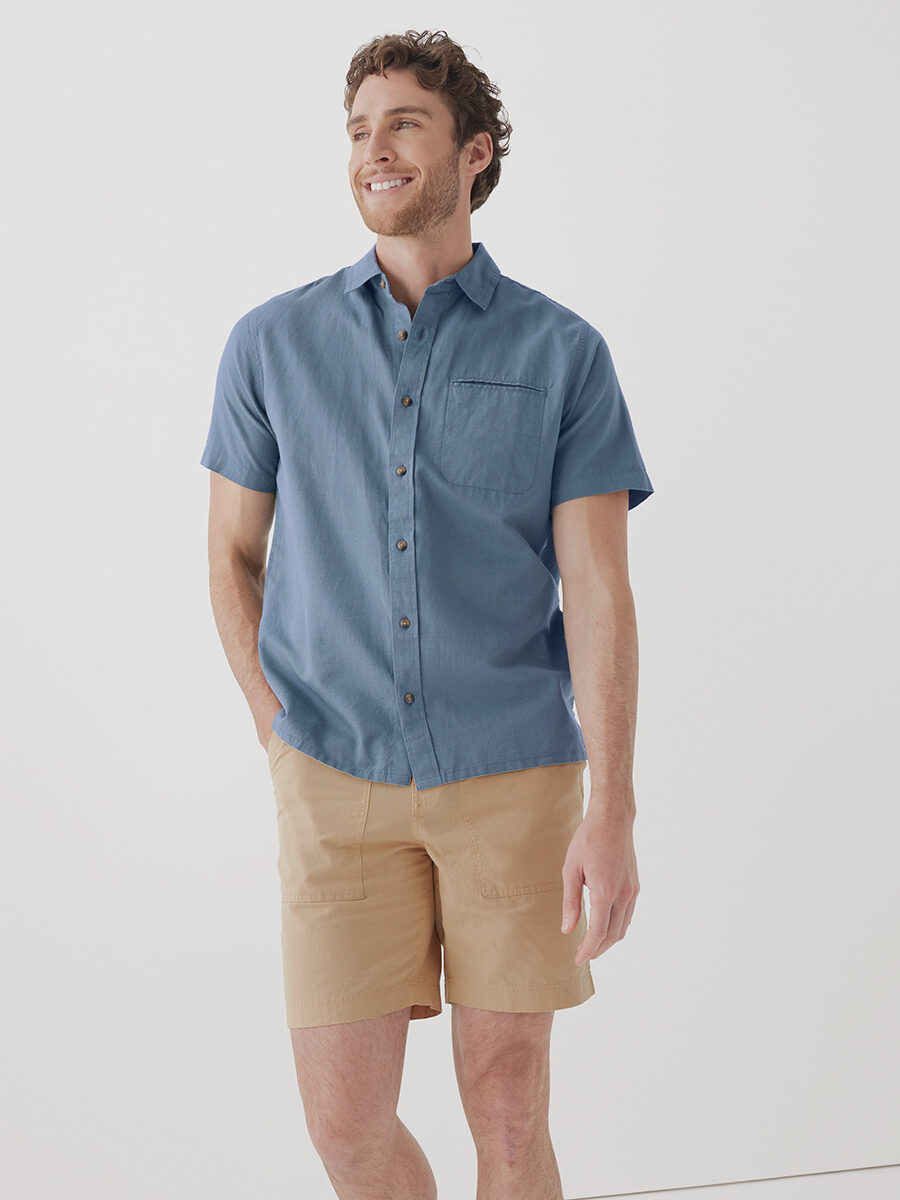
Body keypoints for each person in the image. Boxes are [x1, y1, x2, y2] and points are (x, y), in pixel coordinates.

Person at [200, 28, 654, 1200]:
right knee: (344, 1123)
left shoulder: (563, 354)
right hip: (334, 778)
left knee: (507, 1101)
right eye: (358, 129)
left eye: (404, 123)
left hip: (511, 776)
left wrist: (614, 807)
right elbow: (230, 561)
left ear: (474, 153)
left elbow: (598, 588)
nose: (375, 150)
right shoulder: (270, 344)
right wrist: (275, 726)